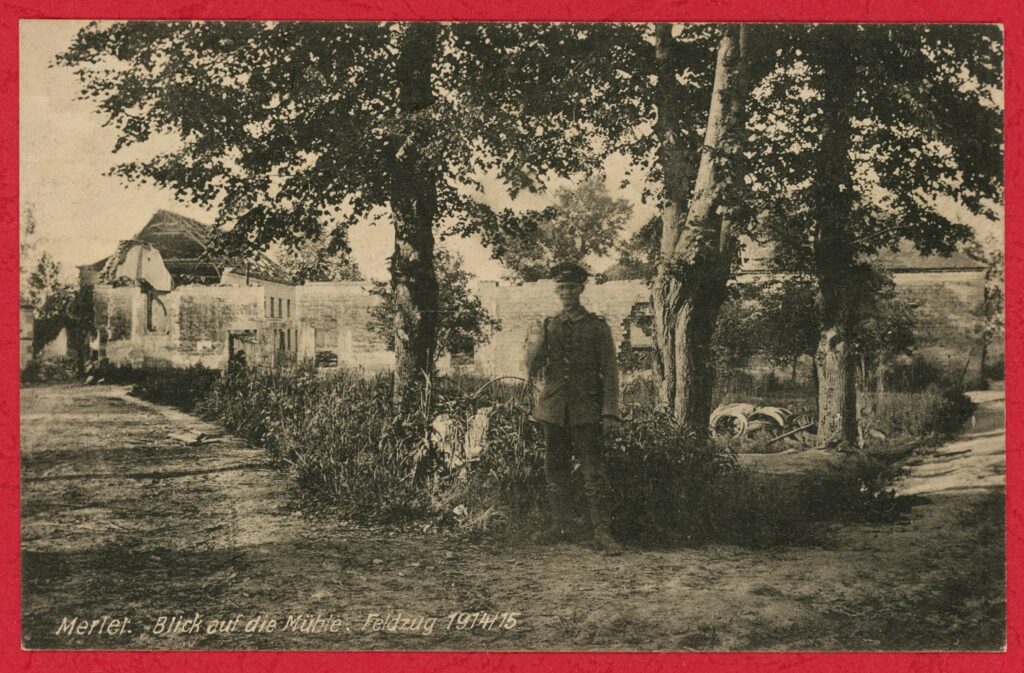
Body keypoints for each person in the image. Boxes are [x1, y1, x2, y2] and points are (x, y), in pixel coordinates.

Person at [524, 261, 623, 554]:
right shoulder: (548, 325)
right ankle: (559, 526)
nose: (566, 292)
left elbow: (610, 371)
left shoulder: (597, 327)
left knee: (594, 471)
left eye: (571, 287)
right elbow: (533, 368)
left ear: (581, 289)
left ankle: (602, 533)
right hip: (553, 409)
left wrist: (609, 411)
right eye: (561, 287)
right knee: (554, 468)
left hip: (585, 410)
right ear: (557, 290)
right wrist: (533, 344)